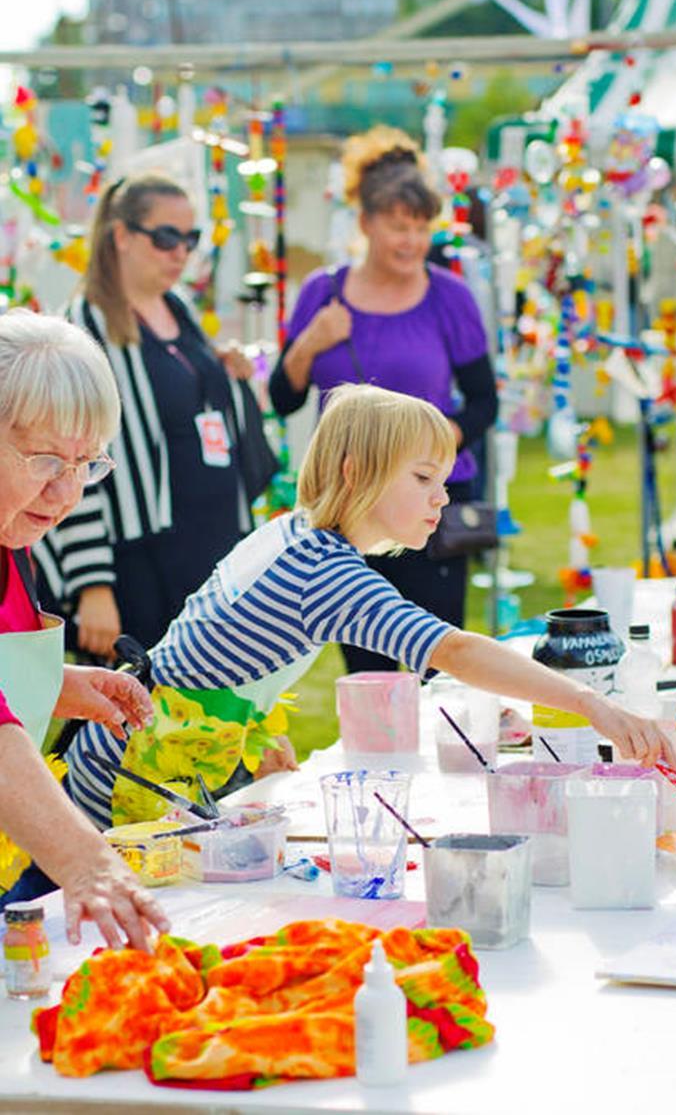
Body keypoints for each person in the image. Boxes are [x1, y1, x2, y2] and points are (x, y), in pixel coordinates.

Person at [66, 385, 675, 830]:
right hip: (126, 776)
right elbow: (455, 651)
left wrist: (254, 737)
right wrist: (591, 704)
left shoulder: (290, 533)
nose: (441, 498)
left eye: (443, 480)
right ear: (356, 472)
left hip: (134, 748)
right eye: (422, 478)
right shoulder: (326, 573)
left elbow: (215, 652)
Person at [269, 126, 497, 673]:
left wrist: (421, 458)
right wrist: (310, 343)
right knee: (369, 673)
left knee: (438, 665)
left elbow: (484, 403)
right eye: (399, 226)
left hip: (430, 508)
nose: (412, 241)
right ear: (365, 222)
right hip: (351, 506)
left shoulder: (449, 296)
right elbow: (281, 397)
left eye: (422, 228)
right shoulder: (321, 294)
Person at [35, 171, 276, 660]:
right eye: (166, 237)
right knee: (133, 715)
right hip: (138, 562)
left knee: (214, 710)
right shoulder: (82, 327)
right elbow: (69, 460)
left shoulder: (180, 309)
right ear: (121, 235)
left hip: (212, 545)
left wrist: (227, 376)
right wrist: (93, 586)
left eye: (190, 239)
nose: (181, 253)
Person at [0, 307, 169, 949]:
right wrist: (87, 862)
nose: (66, 492)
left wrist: (59, 684)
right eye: (45, 460)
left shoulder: (14, 529)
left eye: (86, 465)